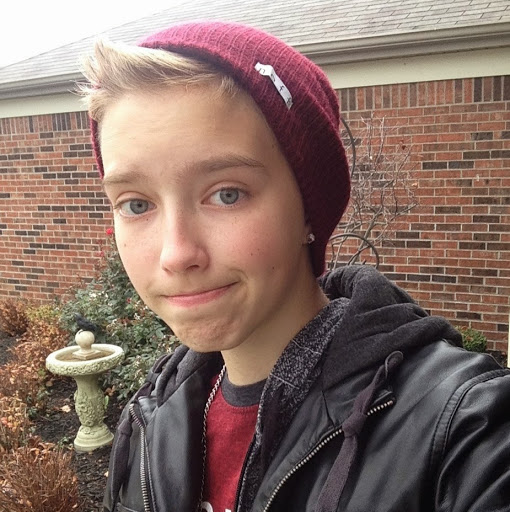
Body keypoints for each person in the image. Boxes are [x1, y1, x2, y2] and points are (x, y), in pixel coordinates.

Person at [81, 21, 510, 512]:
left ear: (308, 208)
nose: (176, 254)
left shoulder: (467, 431)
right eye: (136, 204)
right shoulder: (151, 417)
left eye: (227, 194)